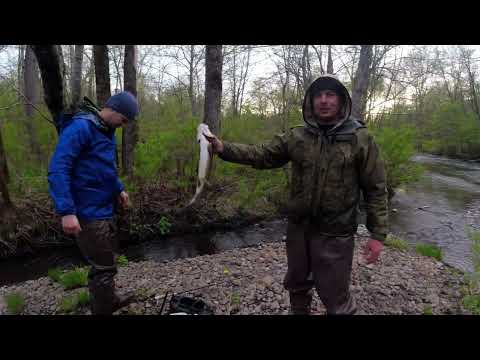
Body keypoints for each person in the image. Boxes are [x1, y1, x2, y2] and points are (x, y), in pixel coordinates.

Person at [205, 74, 388, 315]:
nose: (323, 100)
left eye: (330, 95)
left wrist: (378, 234)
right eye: (318, 95)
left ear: (341, 101)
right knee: (297, 284)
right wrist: (223, 148)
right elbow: (262, 154)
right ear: (310, 102)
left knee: (336, 298)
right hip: (299, 230)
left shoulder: (360, 138)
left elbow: (376, 188)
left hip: (336, 234)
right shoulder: (297, 136)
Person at [48, 91, 139, 315]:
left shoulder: (106, 130)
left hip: (104, 208)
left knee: (106, 260)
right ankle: (103, 310)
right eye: (124, 120)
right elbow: (58, 169)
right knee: (104, 266)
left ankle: (109, 301)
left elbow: (104, 168)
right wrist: (67, 211)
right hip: (87, 213)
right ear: (115, 110)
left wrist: (119, 189)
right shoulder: (81, 128)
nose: (124, 125)